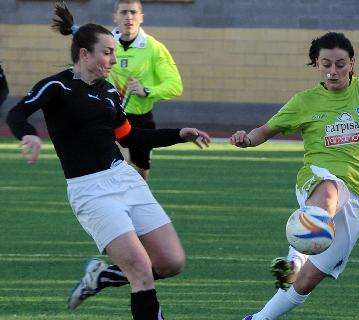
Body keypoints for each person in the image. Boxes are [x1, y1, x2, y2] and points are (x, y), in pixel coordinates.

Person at [5, 3, 210, 319]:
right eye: (107, 53)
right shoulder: (57, 85)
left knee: (171, 262)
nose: (113, 60)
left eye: (114, 53)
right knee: (141, 269)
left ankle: (102, 276)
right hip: (90, 191)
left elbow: (130, 138)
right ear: (84, 54)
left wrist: (179, 134)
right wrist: (28, 135)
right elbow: (17, 113)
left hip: (124, 178)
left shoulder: (109, 93)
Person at [230, 32, 359, 320]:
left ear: (352, 64)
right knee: (330, 189)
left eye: (340, 64)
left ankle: (261, 316)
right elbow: (265, 131)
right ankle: (295, 254)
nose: (333, 71)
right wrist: (245, 140)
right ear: (316, 65)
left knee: (308, 280)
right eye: (325, 64)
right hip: (317, 178)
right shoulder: (305, 101)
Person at [108, 0, 183, 181]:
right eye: (124, 12)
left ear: (141, 17)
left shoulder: (154, 48)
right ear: (115, 17)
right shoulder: (105, 44)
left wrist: (146, 90)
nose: (128, 17)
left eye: (133, 12)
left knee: (142, 171)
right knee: (120, 163)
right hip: (112, 116)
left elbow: (175, 86)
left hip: (141, 119)